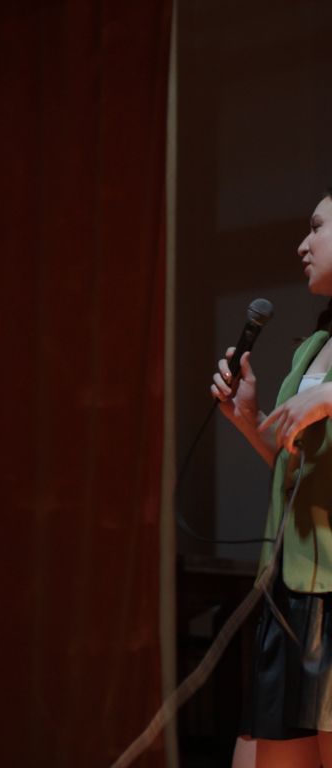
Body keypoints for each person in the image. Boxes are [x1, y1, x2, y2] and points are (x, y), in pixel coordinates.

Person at [212, 192, 332, 768]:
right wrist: (249, 419)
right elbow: (296, 470)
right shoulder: (315, 346)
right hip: (289, 588)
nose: (302, 245)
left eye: (317, 227)